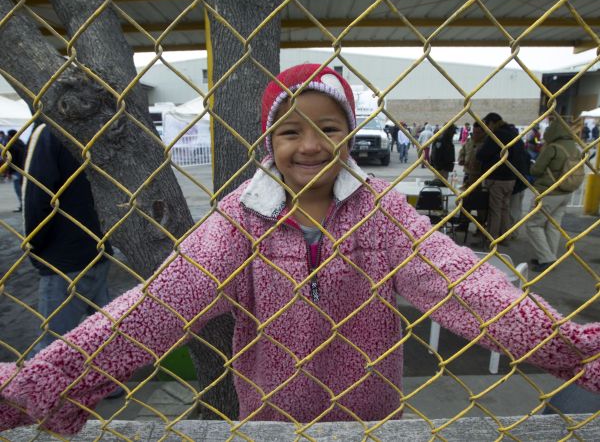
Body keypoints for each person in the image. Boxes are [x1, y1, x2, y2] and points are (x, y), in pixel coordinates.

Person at [1, 64, 598, 435]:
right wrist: (49, 379)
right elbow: (159, 307)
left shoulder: (382, 213)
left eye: (329, 129)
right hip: (269, 422)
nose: (310, 146)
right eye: (290, 131)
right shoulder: (239, 221)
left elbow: (466, 286)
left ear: (350, 135)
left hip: (369, 420)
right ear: (269, 140)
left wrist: (570, 350)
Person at [22, 123, 113, 354]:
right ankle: (110, 375)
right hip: (97, 249)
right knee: (107, 336)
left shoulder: (48, 131)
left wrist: (35, 248)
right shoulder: (93, 127)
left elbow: (36, 198)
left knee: (52, 349)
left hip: (63, 260)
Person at [526, 119, 579, 272]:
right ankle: (550, 257)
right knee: (553, 226)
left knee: (533, 224)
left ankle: (546, 258)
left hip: (549, 192)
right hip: (566, 192)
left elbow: (536, 170)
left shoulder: (552, 147)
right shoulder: (574, 147)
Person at [476, 113, 519, 241]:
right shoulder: (512, 133)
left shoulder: (496, 135)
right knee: (505, 208)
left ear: (492, 123)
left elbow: (482, 154)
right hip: (510, 177)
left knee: (495, 210)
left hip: (497, 177)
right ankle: (505, 236)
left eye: (487, 124)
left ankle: (492, 237)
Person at [4, 129, 27, 212]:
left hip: (16, 169)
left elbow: (11, 160)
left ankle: (22, 205)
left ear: (10, 136)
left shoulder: (11, 145)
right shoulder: (21, 143)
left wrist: (9, 172)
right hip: (24, 168)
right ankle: (24, 204)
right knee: (23, 188)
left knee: (18, 188)